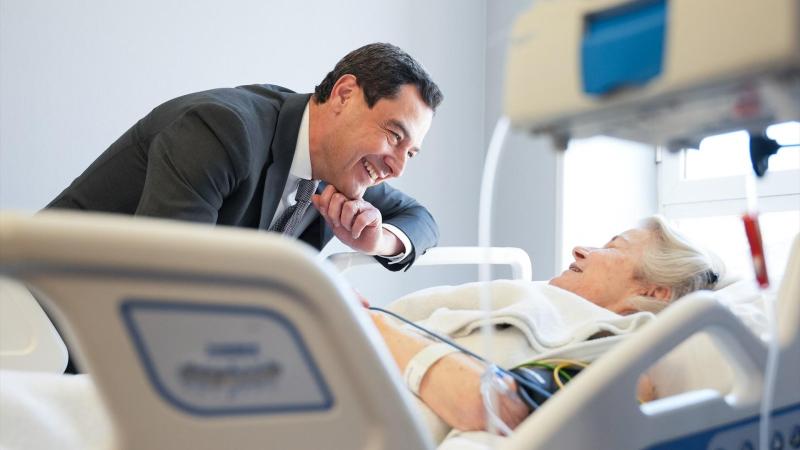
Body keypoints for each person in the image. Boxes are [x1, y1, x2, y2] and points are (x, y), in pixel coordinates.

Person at [46, 43, 443, 272]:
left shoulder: (345, 175)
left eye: (410, 152)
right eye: (394, 136)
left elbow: (421, 220)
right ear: (344, 95)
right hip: (46, 329)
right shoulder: (222, 130)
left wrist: (379, 240)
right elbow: (167, 282)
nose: (397, 166)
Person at [367, 215, 723, 439]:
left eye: (612, 247)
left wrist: (367, 323)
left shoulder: (618, 354)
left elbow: (492, 405)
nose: (581, 250)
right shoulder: (540, 302)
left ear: (651, 291)